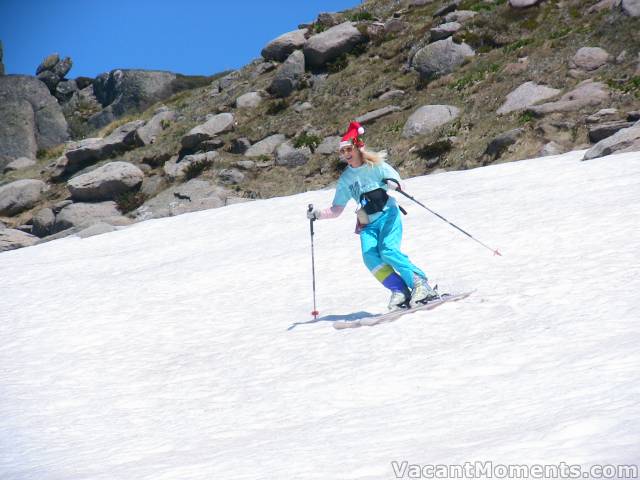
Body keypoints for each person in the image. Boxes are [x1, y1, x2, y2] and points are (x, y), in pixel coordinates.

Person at [307, 121, 437, 311]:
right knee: (370, 257)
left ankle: (420, 283)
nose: (346, 155)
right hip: (366, 222)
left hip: (387, 215)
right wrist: (317, 214)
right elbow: (336, 209)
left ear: (358, 147)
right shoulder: (345, 179)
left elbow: (398, 183)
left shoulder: (377, 166)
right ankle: (400, 290)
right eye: (342, 152)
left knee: (388, 251)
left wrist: (393, 184)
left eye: (348, 149)